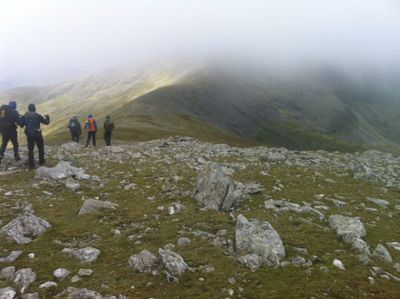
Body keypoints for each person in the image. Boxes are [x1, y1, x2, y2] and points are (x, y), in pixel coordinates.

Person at [20, 103, 50, 168]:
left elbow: (21, 125)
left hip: (29, 134)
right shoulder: (37, 115)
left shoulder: (25, 116)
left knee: (30, 149)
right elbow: (46, 122)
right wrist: (47, 117)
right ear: (34, 108)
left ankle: (31, 164)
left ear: (28, 109)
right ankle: (41, 161)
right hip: (38, 134)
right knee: (40, 147)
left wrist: (21, 118)